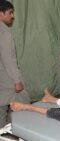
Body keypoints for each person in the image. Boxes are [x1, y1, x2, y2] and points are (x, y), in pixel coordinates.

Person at [0, 0, 30, 128]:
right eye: (10, 12)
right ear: (1, 13)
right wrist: (17, 81)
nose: (12, 16)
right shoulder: (4, 33)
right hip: (7, 77)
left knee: (1, 107)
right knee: (24, 103)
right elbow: (8, 59)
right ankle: (20, 132)